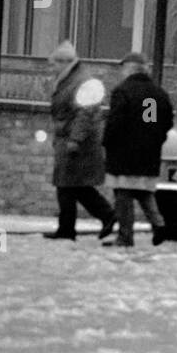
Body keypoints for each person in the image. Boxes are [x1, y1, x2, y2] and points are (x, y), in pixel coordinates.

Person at [44, 40, 116, 241]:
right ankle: (76, 225)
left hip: (77, 143)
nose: (51, 69)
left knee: (69, 186)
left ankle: (74, 227)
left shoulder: (80, 81)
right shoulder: (71, 80)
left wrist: (75, 139)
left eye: (54, 65)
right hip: (70, 140)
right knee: (72, 186)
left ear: (64, 63)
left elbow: (85, 113)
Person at [102, 51, 174, 247]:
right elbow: (165, 121)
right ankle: (158, 225)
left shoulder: (123, 91)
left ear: (130, 69)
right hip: (149, 151)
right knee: (144, 191)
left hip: (124, 153)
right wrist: (156, 138)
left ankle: (125, 237)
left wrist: (107, 142)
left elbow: (115, 122)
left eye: (123, 68)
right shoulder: (157, 93)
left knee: (123, 194)